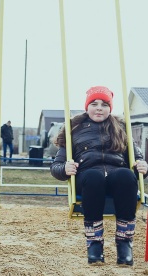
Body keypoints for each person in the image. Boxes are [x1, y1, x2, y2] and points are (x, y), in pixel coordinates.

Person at [50, 86, 148, 266]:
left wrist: (143, 167)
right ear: (87, 107)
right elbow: (55, 166)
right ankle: (95, 244)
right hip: (88, 177)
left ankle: (124, 243)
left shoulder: (121, 128)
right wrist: (65, 168)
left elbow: (138, 159)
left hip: (116, 176)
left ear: (110, 108)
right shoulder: (75, 130)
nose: (99, 108)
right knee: (94, 176)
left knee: (126, 175)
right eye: (94, 103)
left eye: (104, 104)